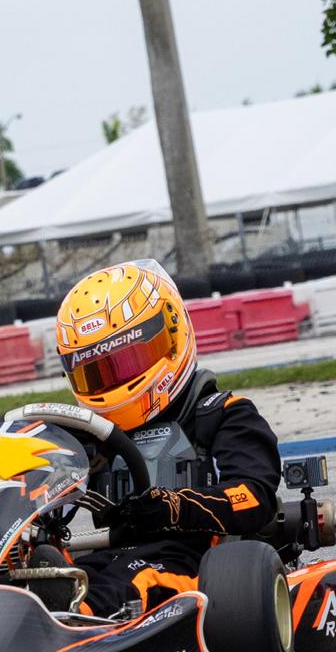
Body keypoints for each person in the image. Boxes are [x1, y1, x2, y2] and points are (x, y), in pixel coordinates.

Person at [40, 259, 282, 617]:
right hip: (109, 555)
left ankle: (77, 621)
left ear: (170, 334)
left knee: (127, 584)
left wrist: (174, 505)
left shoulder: (222, 415)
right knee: (45, 579)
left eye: (126, 362)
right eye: (97, 374)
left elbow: (254, 497)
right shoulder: (86, 440)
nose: (114, 383)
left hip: (195, 559)